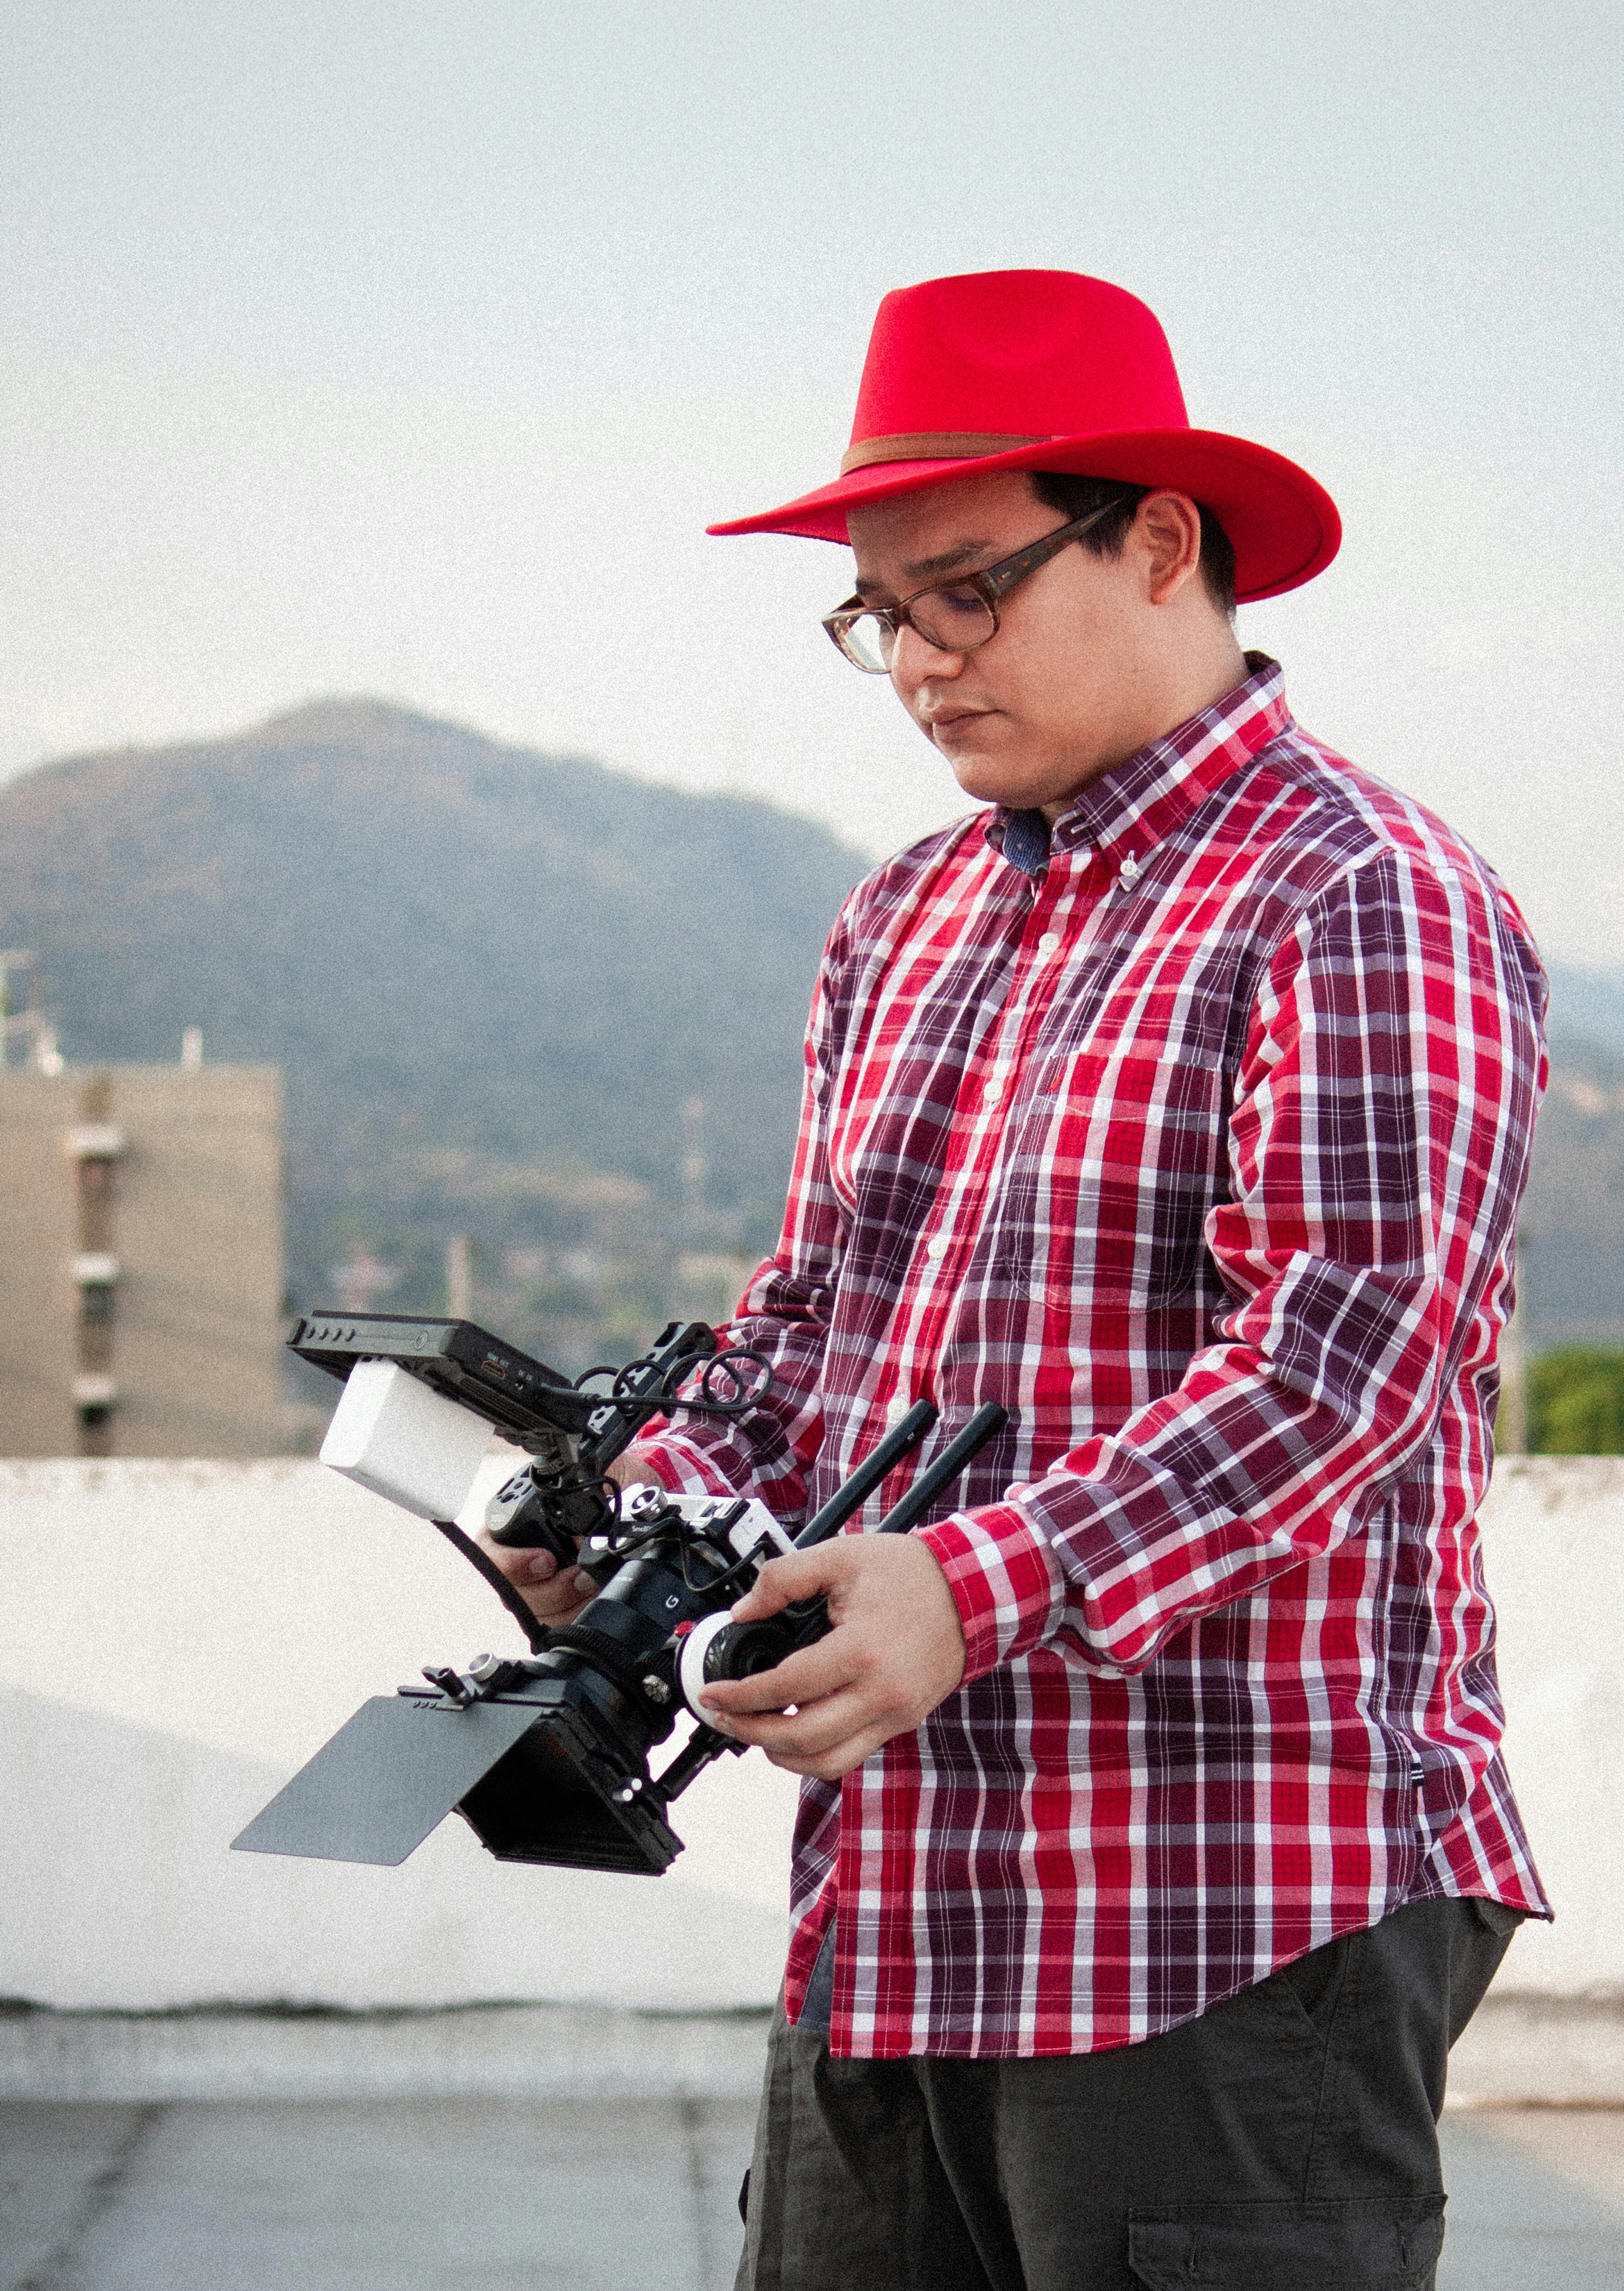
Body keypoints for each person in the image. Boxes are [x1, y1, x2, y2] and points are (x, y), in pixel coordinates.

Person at [492, 271, 1549, 2290]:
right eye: (876, 609)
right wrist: (642, 1514)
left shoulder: (1363, 890)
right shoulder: (900, 923)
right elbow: (811, 1326)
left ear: (1159, 539)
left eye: (961, 587)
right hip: (902, 1887)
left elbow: (1343, 1368)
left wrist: (971, 1586)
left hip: (1227, 1902)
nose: (910, 658)